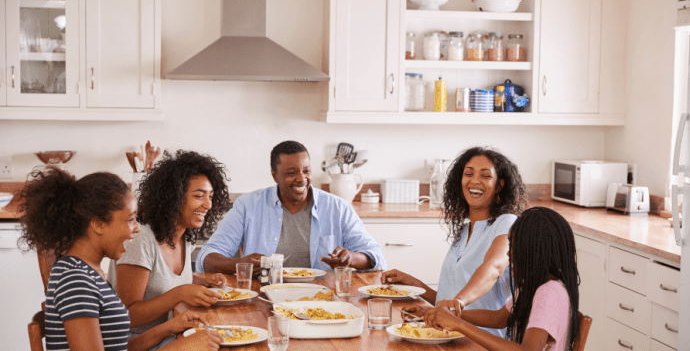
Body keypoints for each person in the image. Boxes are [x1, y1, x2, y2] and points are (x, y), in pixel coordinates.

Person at [18, 168, 222, 351]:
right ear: (98, 224)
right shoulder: (75, 279)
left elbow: (118, 347)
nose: (136, 228)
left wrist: (168, 328)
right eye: (130, 219)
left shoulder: (89, 271)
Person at [382, 146, 527, 337]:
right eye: (468, 174)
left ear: (499, 185)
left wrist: (459, 301)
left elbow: (494, 268)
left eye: (485, 176)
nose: (474, 180)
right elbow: (449, 303)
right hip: (450, 336)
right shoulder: (464, 231)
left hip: (482, 341)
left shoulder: (507, 223)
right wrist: (414, 284)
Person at [197, 140, 386, 273]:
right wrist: (239, 264)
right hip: (263, 296)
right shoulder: (248, 205)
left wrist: (351, 259)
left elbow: (377, 256)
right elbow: (206, 257)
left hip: (323, 299)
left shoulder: (338, 208)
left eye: (306, 171)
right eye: (291, 173)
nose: (301, 179)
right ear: (274, 175)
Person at [109, 150, 232, 346]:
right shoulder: (141, 240)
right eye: (199, 196)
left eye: (211, 196)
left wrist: (200, 279)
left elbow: (159, 279)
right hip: (136, 342)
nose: (208, 204)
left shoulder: (184, 237)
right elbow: (127, 316)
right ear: (173, 197)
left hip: (170, 333)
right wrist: (180, 293)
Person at [417, 207, 581, 351]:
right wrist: (449, 314)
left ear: (536, 253)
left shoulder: (549, 292)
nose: (509, 254)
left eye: (515, 247)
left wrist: (458, 324)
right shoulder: (534, 287)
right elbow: (499, 318)